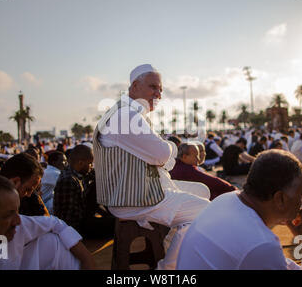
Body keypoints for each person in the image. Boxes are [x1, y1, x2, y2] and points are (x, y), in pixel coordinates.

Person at [93, 64, 210, 270]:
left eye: (161, 89)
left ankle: (170, 245)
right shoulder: (125, 116)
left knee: (203, 190)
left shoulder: (129, 113)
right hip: (134, 198)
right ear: (135, 86)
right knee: (205, 212)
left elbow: (161, 157)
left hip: (138, 191)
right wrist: (172, 147)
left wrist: (164, 151)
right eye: (153, 87)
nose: (158, 94)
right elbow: (163, 155)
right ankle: (168, 268)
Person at [177, 150, 302, 270]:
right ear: (280, 199)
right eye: (301, 193)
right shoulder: (261, 245)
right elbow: (257, 251)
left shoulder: (227, 199)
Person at [54, 145, 115, 239]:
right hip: (75, 228)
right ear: (81, 163)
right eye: (90, 164)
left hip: (84, 218)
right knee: (115, 224)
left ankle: (112, 215)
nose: (91, 167)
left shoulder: (79, 172)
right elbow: (69, 219)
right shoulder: (68, 180)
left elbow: (99, 175)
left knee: (98, 182)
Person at [170, 143, 236, 200]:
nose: (198, 159)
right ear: (184, 156)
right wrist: (233, 189)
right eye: (196, 156)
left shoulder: (173, 165)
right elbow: (213, 182)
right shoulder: (187, 170)